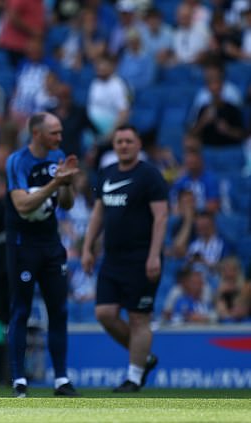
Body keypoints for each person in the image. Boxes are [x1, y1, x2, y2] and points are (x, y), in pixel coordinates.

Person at [81, 125, 169, 393]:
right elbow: (98, 213)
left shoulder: (150, 175)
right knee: (104, 313)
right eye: (119, 141)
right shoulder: (107, 173)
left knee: (139, 318)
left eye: (129, 141)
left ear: (138, 144)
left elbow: (161, 216)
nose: (123, 145)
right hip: (112, 258)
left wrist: (154, 255)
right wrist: (87, 247)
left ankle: (134, 376)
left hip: (141, 258)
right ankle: (144, 359)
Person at [5, 112, 81, 398]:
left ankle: (61, 378)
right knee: (21, 310)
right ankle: (19, 380)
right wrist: (54, 183)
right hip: (23, 244)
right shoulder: (17, 161)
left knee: (58, 311)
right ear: (37, 134)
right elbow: (22, 205)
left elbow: (68, 204)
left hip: (51, 244)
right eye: (54, 133)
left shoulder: (58, 156)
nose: (60, 138)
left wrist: (66, 183)